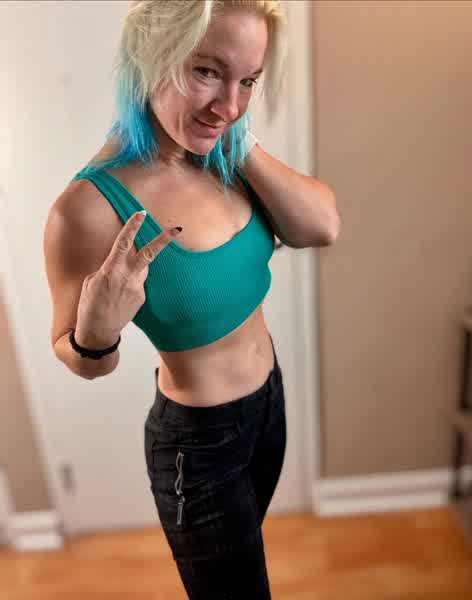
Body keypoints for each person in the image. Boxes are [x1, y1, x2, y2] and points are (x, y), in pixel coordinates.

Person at [43, 1, 340, 597]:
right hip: (198, 448)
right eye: (206, 71)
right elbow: (75, 354)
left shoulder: (225, 155)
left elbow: (321, 227)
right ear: (149, 57)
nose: (228, 105)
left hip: (269, 406)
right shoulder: (86, 210)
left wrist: (238, 141)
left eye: (247, 80)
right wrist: (95, 334)